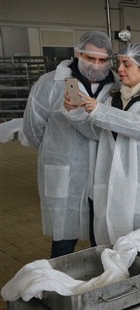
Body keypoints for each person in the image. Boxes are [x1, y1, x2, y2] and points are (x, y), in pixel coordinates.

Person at [22, 31, 116, 258]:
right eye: (90, 58)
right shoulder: (52, 83)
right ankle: (60, 277)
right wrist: (56, 152)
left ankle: (102, 277)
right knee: (63, 240)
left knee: (101, 237)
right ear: (78, 54)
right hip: (65, 170)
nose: (96, 65)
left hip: (103, 172)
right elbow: (33, 127)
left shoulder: (117, 84)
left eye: (102, 60)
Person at [73, 44, 140, 245]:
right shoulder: (114, 99)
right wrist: (75, 112)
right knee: (116, 240)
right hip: (114, 181)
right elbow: (98, 132)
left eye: (126, 64)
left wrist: (100, 111)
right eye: (119, 63)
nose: (119, 69)